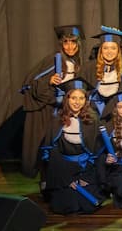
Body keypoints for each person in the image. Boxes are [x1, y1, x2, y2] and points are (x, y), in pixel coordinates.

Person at [21, 24, 89, 178]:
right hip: (50, 109)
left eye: (73, 42)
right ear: (61, 44)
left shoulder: (77, 63)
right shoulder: (53, 59)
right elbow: (31, 83)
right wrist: (49, 81)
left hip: (68, 108)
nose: (70, 46)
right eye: (66, 42)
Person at [40, 78, 105, 214]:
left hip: (86, 168)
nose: (77, 102)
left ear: (86, 100)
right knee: (68, 204)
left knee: (88, 204)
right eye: (73, 98)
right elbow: (51, 153)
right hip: (62, 170)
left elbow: (97, 153)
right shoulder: (57, 120)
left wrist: (85, 177)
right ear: (67, 99)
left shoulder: (93, 120)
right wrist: (67, 178)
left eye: (81, 98)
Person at [85, 32, 122, 116]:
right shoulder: (88, 67)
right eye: (105, 48)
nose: (109, 52)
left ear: (118, 50)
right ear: (101, 50)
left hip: (116, 112)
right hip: (93, 112)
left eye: (113, 48)